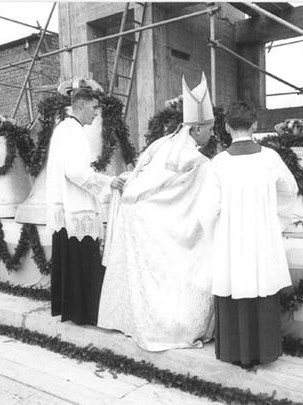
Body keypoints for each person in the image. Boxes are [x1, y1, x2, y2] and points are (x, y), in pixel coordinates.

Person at [98, 73, 215, 351]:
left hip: (137, 217)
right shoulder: (197, 160)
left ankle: (137, 323)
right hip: (156, 221)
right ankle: (172, 326)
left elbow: (139, 177)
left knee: (151, 278)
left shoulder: (162, 143)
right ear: (196, 128)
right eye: (209, 128)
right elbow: (200, 202)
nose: (212, 133)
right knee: (177, 270)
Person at [198, 102, 298, 368]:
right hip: (262, 237)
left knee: (234, 283)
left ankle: (234, 351)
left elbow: (207, 209)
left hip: (231, 240)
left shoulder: (218, 163)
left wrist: (216, 236)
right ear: (254, 125)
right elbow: (290, 191)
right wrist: (275, 223)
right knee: (261, 283)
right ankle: (264, 352)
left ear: (228, 127)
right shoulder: (270, 158)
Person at [46, 87, 124, 326]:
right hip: (76, 206)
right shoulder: (75, 131)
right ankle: (85, 313)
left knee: (71, 261)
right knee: (81, 260)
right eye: (93, 108)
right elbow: (75, 171)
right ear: (80, 106)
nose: (95, 113)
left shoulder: (62, 128)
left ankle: (73, 311)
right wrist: (108, 181)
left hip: (66, 208)